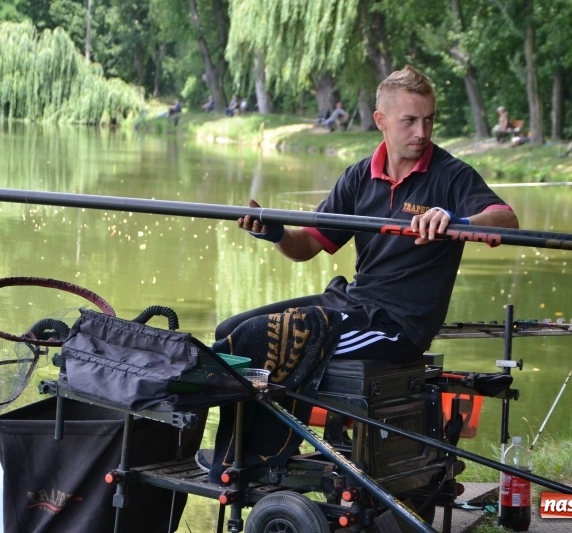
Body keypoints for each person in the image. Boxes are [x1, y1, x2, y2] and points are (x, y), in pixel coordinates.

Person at [217, 65, 519, 364]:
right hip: (350, 302)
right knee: (229, 331)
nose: (422, 132)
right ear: (380, 120)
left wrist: (459, 222)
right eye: (410, 121)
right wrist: (275, 233)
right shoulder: (358, 175)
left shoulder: (452, 175)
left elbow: (506, 220)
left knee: (255, 344)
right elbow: (306, 246)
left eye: (429, 120)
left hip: (397, 326)